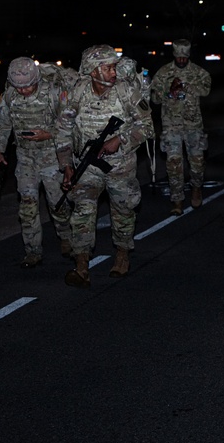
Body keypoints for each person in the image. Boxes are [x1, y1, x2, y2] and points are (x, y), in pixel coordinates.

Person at [56, 45, 154, 288]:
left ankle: (121, 254)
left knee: (123, 211)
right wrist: (67, 165)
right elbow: (63, 130)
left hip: (120, 165)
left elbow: (147, 127)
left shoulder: (126, 90)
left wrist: (119, 140)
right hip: (87, 164)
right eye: (108, 67)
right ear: (92, 71)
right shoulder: (77, 92)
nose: (114, 71)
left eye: (114, 66)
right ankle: (81, 266)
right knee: (82, 210)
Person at [0, 57, 77, 268]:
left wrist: (47, 134)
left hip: (52, 157)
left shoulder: (54, 93)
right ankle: (32, 251)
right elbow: (3, 125)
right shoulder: (9, 96)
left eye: (28, 86)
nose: (23, 90)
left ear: (37, 79)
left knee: (57, 203)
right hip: (25, 159)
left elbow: (71, 126)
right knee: (27, 206)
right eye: (19, 87)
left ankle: (66, 236)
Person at [149, 38, 211, 215]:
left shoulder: (199, 72)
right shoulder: (163, 73)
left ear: (189, 55)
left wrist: (188, 86)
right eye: (179, 57)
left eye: (185, 57)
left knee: (197, 162)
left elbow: (206, 90)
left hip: (194, 125)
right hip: (171, 125)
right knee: (174, 164)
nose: (182, 60)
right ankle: (177, 200)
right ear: (174, 55)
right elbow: (154, 98)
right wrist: (170, 90)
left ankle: (196, 188)